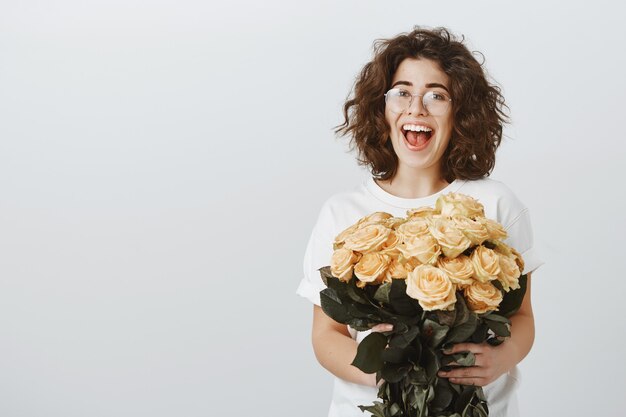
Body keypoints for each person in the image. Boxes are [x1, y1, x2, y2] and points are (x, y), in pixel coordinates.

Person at [296, 26, 543, 417]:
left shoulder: (494, 205)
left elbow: (522, 316)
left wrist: (502, 358)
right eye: (403, 92)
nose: (417, 108)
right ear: (382, 108)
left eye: (437, 95)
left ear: (460, 112)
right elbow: (326, 334)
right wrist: (386, 372)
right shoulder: (341, 212)